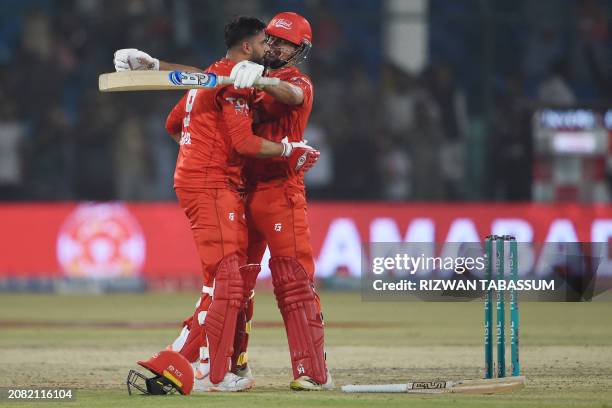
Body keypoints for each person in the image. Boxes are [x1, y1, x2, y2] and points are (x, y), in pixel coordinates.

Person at [114, 11, 332, 392]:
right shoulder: (241, 73)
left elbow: (292, 95)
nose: (277, 46)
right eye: (273, 39)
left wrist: (260, 78)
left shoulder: (295, 80)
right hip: (236, 191)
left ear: (300, 51)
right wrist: (156, 66)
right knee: (236, 285)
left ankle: (311, 371)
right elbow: (211, 77)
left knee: (292, 282)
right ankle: (230, 367)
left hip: (281, 191)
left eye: (285, 42)